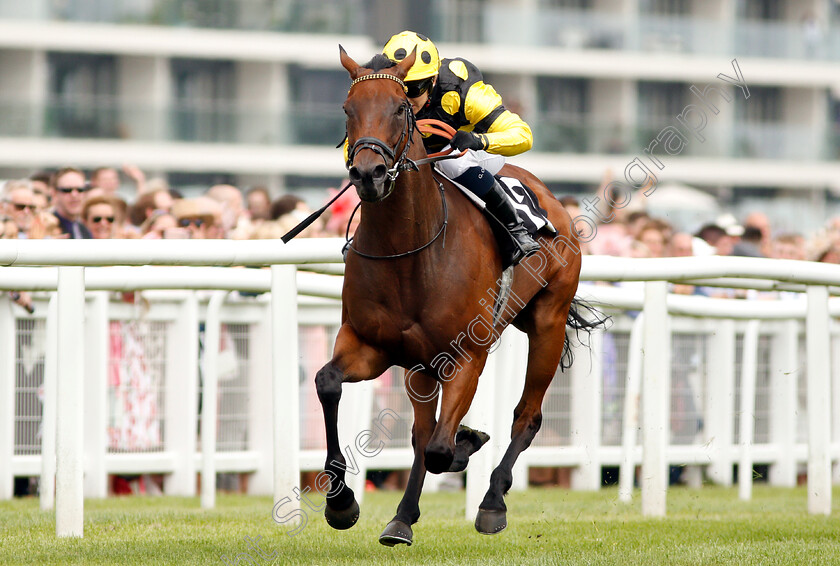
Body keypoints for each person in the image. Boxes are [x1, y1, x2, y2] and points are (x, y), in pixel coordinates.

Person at [381, 30, 539, 264]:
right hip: (420, 153)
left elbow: (523, 136)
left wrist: (478, 140)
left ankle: (515, 230)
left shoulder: (466, 91)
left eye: (414, 88)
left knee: (452, 162)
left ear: (433, 80)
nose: (406, 97)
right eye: (399, 88)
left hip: (473, 152)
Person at [50, 167, 93, 239]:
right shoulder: (46, 227)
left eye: (80, 190)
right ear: (54, 193)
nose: (74, 195)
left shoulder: (84, 229)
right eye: (67, 190)